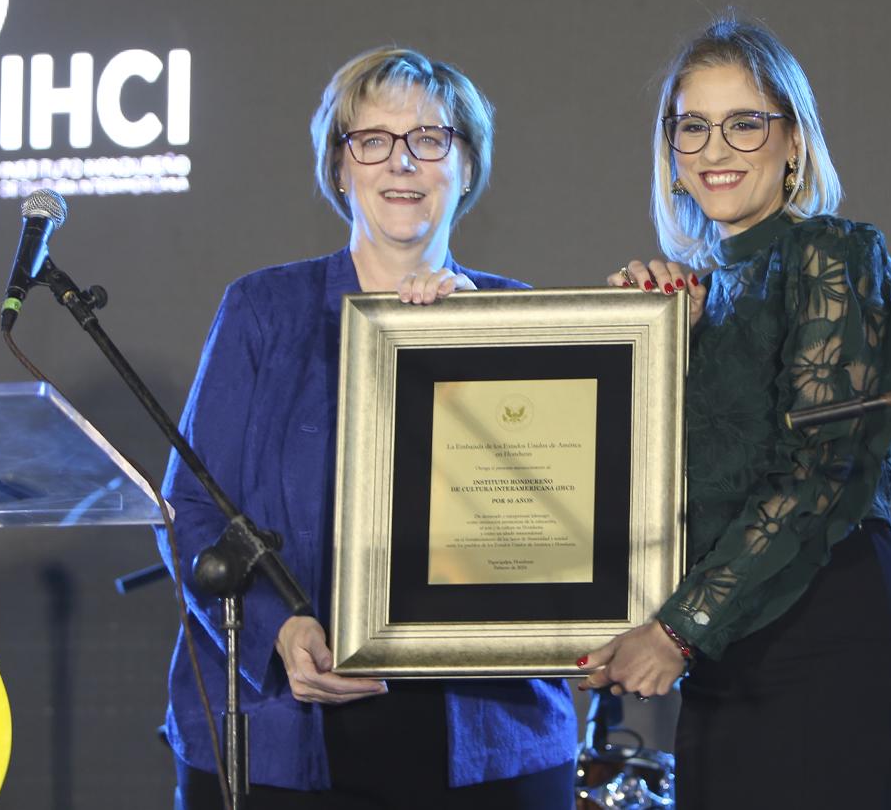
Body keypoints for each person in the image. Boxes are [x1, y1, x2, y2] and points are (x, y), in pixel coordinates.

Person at [157, 47, 578, 809]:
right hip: (284, 729)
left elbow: (560, 520)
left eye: (430, 139)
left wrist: (472, 348)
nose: (401, 162)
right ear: (340, 166)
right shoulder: (263, 310)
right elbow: (190, 509)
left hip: (489, 737)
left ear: (467, 166)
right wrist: (277, 633)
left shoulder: (518, 315)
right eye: (373, 140)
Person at [581, 17, 891, 809]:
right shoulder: (694, 298)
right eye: (693, 127)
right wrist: (651, 348)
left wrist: (676, 631)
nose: (716, 149)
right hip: (727, 656)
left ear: (794, 142)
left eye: (745, 123)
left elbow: (816, 475)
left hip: (830, 641)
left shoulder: (830, 254)